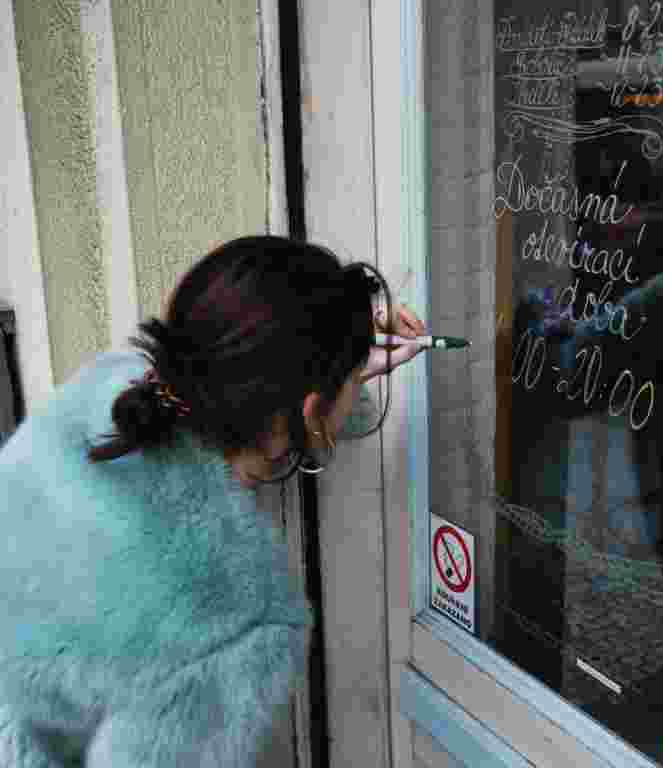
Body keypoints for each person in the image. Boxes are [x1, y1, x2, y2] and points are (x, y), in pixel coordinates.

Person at [0, 235, 426, 766]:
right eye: (352, 381)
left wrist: (339, 356)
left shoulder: (115, 386)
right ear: (314, 410)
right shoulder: (233, 622)